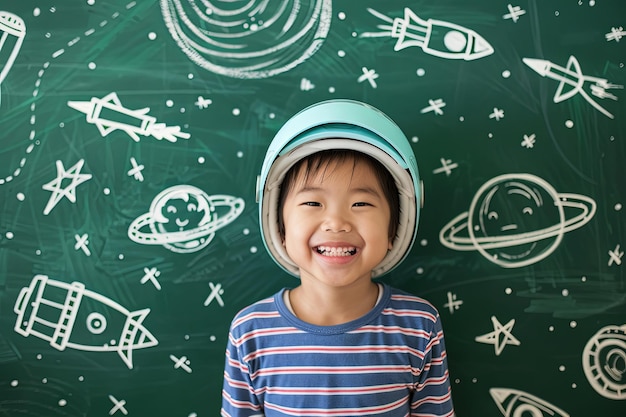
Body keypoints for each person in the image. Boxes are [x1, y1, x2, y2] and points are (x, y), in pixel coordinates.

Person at [221, 99, 454, 416]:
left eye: (361, 204)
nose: (337, 222)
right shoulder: (251, 332)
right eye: (312, 203)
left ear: (394, 229)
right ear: (280, 227)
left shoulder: (419, 326)